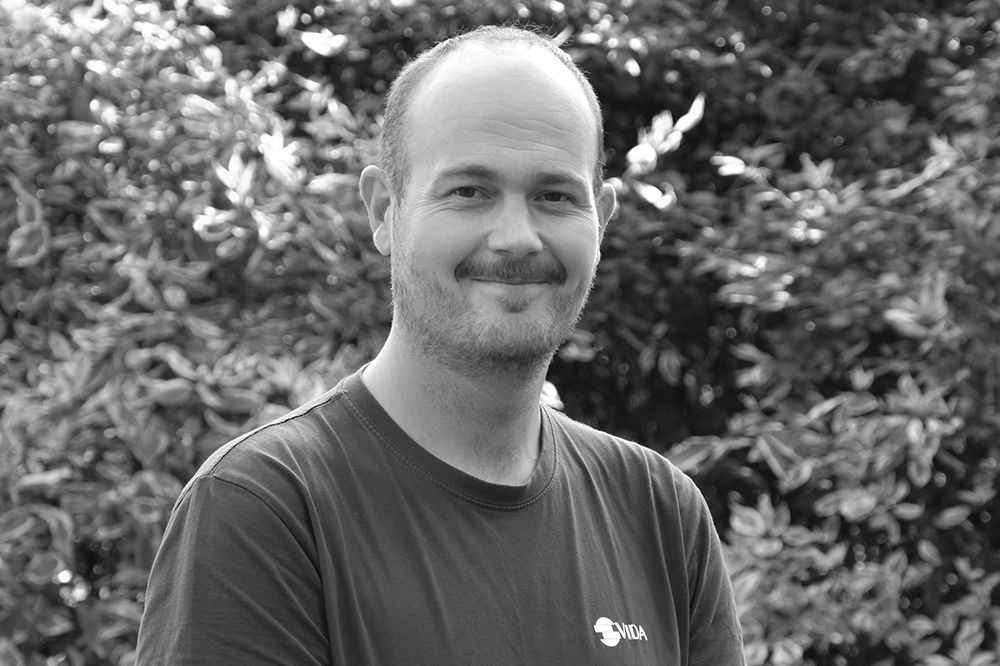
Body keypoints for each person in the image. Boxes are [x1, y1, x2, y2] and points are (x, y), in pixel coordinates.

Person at [135, 25, 746, 665]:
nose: (517, 237)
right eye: (469, 192)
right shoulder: (268, 508)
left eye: (555, 196)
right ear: (384, 211)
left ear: (602, 220)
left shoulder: (660, 514)